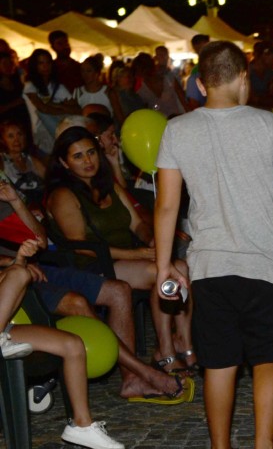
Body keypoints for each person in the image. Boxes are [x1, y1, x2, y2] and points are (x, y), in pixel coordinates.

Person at [154, 40, 273, 449]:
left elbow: (167, 207)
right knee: (269, 360)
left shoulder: (177, 130)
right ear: (244, 78)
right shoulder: (268, 124)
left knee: (219, 363)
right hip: (267, 264)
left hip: (209, 265)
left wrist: (164, 267)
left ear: (201, 84)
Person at [45, 126, 197, 378]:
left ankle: (184, 343)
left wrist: (150, 240)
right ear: (64, 162)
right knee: (163, 272)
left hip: (128, 258)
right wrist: (139, 255)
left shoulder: (109, 186)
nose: (88, 161)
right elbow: (79, 244)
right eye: (78, 156)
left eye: (91, 152)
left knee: (180, 267)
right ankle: (166, 351)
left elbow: (137, 224)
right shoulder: (63, 195)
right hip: (93, 264)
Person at [3, 238, 125, 449]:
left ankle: (81, 425)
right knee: (19, 273)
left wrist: (19, 260)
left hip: (6, 329)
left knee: (72, 344)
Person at [23, 49, 79, 156]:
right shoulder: (30, 86)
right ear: (35, 66)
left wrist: (56, 105)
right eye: (41, 63)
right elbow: (42, 108)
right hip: (41, 134)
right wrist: (63, 108)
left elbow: (77, 109)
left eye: (48, 62)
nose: (45, 66)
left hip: (60, 131)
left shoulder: (58, 87)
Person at [0, 120, 45, 208]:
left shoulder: (31, 159)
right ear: (2, 140)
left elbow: (49, 178)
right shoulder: (2, 160)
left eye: (20, 134)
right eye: (11, 136)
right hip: (20, 208)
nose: (16, 140)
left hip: (42, 204)